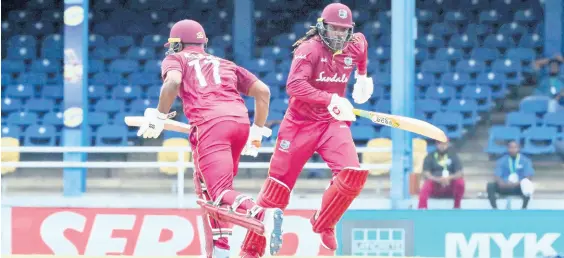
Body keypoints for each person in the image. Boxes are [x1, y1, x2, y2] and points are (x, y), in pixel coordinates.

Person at [135, 19, 283, 258]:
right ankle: (221, 249)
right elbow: (263, 91)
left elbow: (172, 81)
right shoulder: (225, 63)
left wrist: (159, 115)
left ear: (176, 44)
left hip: (211, 125)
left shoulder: (176, 59)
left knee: (218, 193)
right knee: (213, 194)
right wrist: (257, 131)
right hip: (240, 123)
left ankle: (261, 213)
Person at [239, 3, 374, 257]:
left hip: (331, 124)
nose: (338, 35)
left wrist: (364, 76)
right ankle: (250, 249)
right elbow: (295, 86)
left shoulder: (354, 43)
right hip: (299, 125)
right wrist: (331, 99)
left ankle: (324, 222)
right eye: (334, 29)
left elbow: (362, 46)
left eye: (343, 31)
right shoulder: (308, 49)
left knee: (353, 175)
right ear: (322, 27)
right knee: (276, 190)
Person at [418, 138, 465, 209]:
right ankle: (422, 208)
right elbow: (426, 173)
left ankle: (457, 207)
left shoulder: (453, 155)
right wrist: (438, 179)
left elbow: (460, 173)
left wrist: (449, 178)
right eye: (440, 143)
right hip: (436, 185)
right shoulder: (430, 156)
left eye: (444, 143)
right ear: (436, 144)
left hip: (450, 184)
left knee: (460, 182)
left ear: (448, 144)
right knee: (426, 184)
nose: (442, 145)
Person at [487, 141, 535, 209]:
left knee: (528, 184)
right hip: (504, 186)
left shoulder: (525, 161)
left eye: (515, 147)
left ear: (519, 149)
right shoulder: (502, 160)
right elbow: (497, 176)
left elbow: (528, 176)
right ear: (507, 149)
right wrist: (502, 183)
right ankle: (495, 208)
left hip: (518, 187)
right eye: (510, 148)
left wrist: (517, 183)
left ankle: (524, 208)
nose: (512, 150)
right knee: (490, 185)